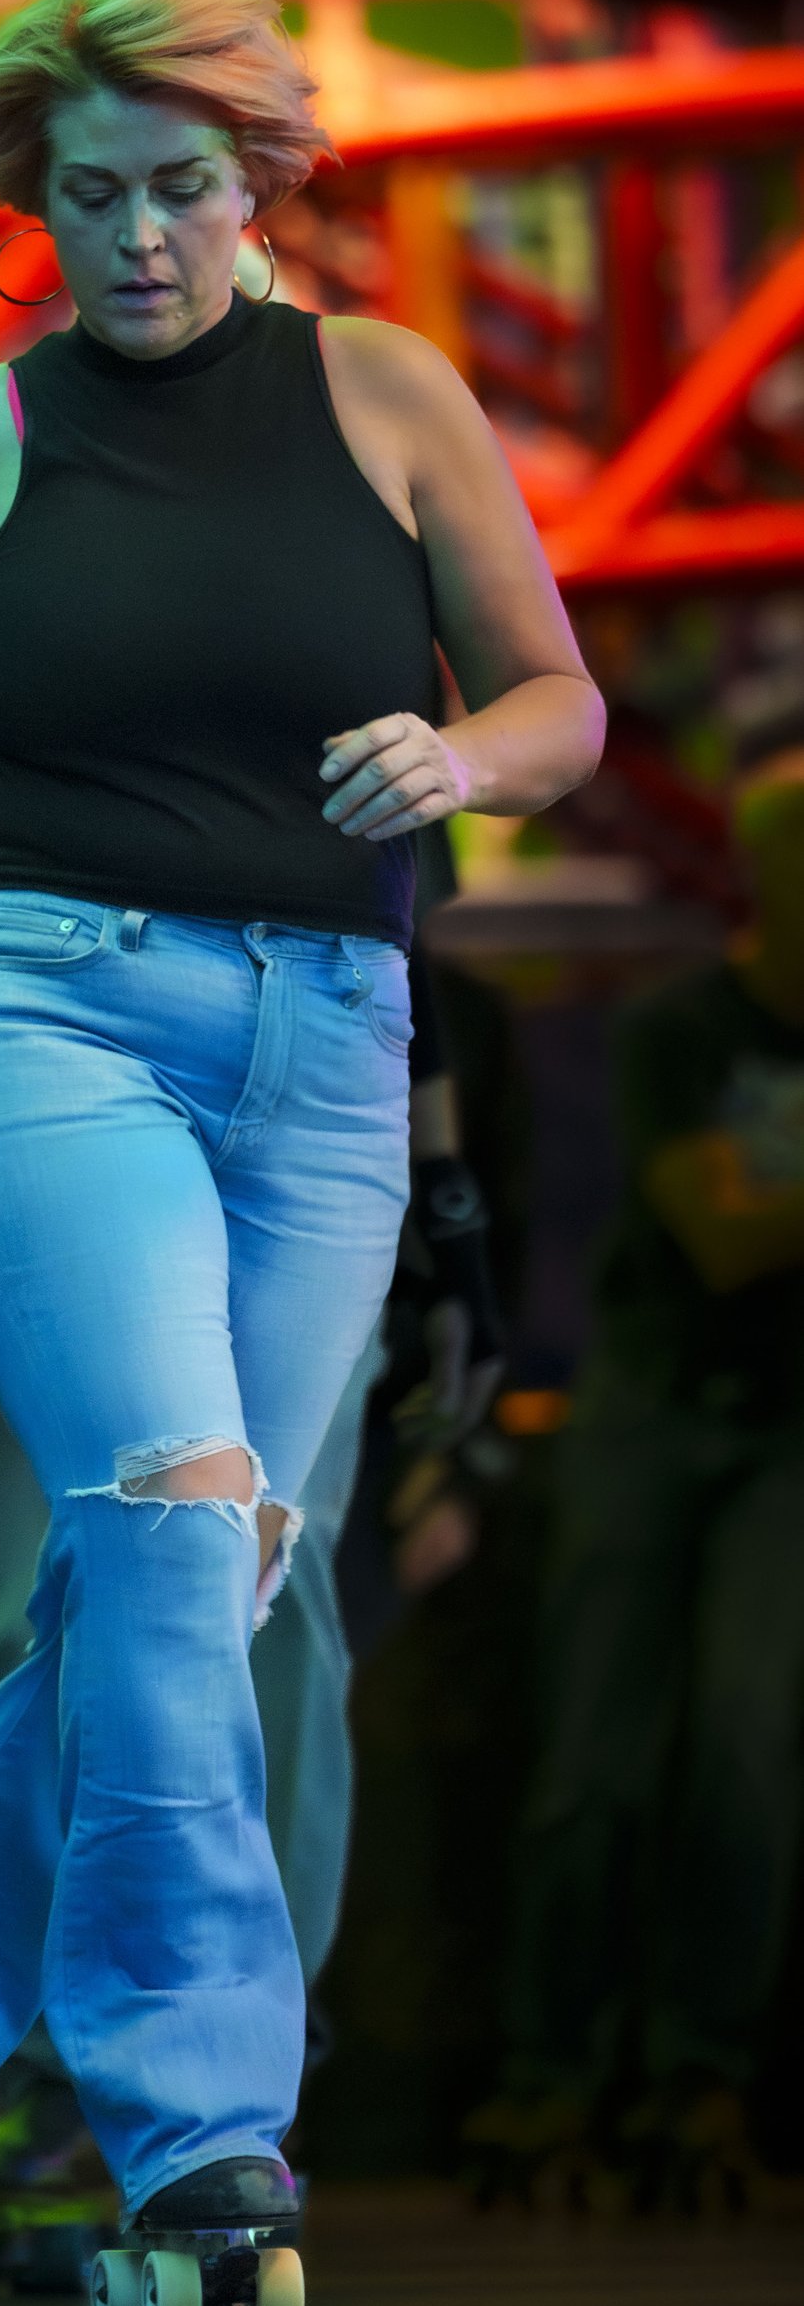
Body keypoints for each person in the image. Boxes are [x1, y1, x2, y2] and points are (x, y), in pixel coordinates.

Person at [0, 0, 604, 2291]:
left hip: (324, 1042)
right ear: (28, 206)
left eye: (180, 189)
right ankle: (198, 2138)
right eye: (86, 198)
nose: (137, 240)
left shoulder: (387, 398)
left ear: (259, 184)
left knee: (179, 1581)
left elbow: (553, 699)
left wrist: (461, 758)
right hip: (40, 1015)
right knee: (179, 1531)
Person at [474, 740, 804, 2213]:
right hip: (648, 1408)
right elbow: (721, 1232)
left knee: (749, 1751)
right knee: (591, 1762)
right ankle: (550, 2074)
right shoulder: (685, 1023)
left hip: (785, 1434)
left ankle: (701, 2071)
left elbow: (752, 1207)